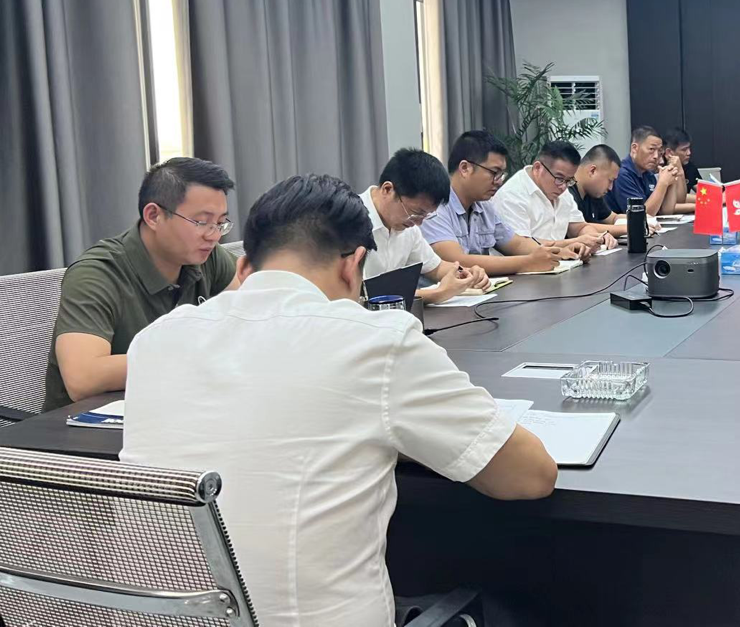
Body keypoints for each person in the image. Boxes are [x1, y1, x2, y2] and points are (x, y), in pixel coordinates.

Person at [122, 174, 556, 627]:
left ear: (244, 268)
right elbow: (529, 477)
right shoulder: (375, 341)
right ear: (354, 265)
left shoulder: (155, 340)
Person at [42, 157, 238, 410]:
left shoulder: (206, 256)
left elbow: (252, 313)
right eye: (201, 222)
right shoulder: (96, 274)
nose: (214, 235)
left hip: (175, 407)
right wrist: (193, 355)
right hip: (88, 423)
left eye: (220, 223)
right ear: (154, 216)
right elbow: (83, 378)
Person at [421, 130, 577, 274]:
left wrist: (556, 253)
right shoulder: (434, 207)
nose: (499, 181)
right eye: (494, 173)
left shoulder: (484, 205)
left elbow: (516, 244)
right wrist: (528, 262)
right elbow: (457, 261)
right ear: (465, 168)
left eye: (502, 174)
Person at [360, 148, 491, 305]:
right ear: (387, 190)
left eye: (426, 216)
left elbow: (436, 267)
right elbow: (362, 296)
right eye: (416, 213)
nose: (418, 223)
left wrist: (466, 273)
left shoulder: (408, 227)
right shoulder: (349, 221)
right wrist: (438, 293)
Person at [492, 140, 615, 254]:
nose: (563, 187)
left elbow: (579, 227)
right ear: (538, 168)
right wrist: (572, 243)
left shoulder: (562, 189)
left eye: (569, 180)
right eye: (559, 178)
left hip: (561, 264)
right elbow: (521, 247)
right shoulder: (512, 195)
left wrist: (595, 238)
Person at [606, 125, 683, 216]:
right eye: (651, 149)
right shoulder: (622, 174)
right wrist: (663, 183)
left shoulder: (648, 173)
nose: (656, 156)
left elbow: (666, 212)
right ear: (634, 148)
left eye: (659, 151)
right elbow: (641, 216)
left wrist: (671, 180)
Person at [662, 127, 699, 213]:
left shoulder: (689, 167)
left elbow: (681, 199)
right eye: (684, 150)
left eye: (689, 148)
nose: (689, 153)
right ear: (669, 152)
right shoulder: (660, 167)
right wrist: (700, 206)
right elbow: (665, 207)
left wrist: (715, 197)